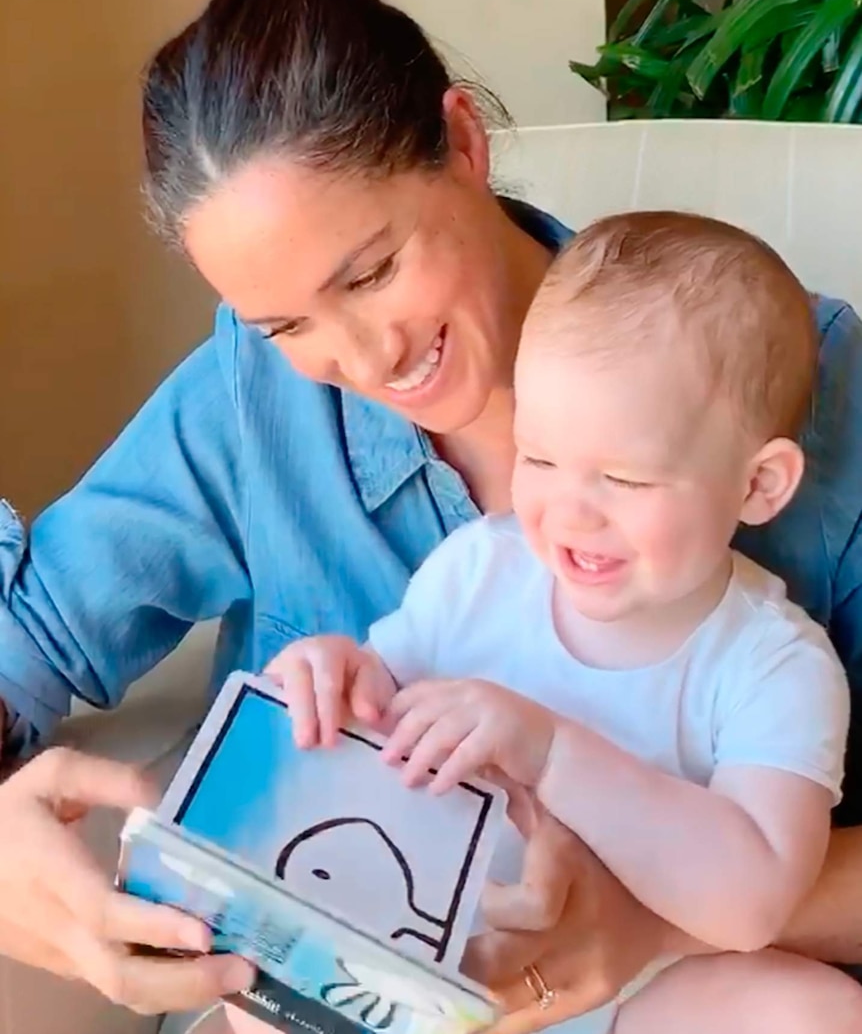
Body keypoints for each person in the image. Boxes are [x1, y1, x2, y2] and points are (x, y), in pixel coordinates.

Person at [1, 0, 862, 1028]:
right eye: (288, 324)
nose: (362, 355)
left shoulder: (807, 388)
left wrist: (641, 930)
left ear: (462, 143)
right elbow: (36, 636)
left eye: (370, 273)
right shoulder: (257, 400)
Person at [265, 212, 861, 1034]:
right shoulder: (478, 571)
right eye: (539, 457)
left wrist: (550, 751)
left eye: (623, 476)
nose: (570, 512)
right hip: (436, 963)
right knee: (262, 999)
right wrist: (334, 674)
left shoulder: (776, 664)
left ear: (758, 485)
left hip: (642, 989)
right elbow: (377, 707)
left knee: (816, 1013)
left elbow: (754, 902)